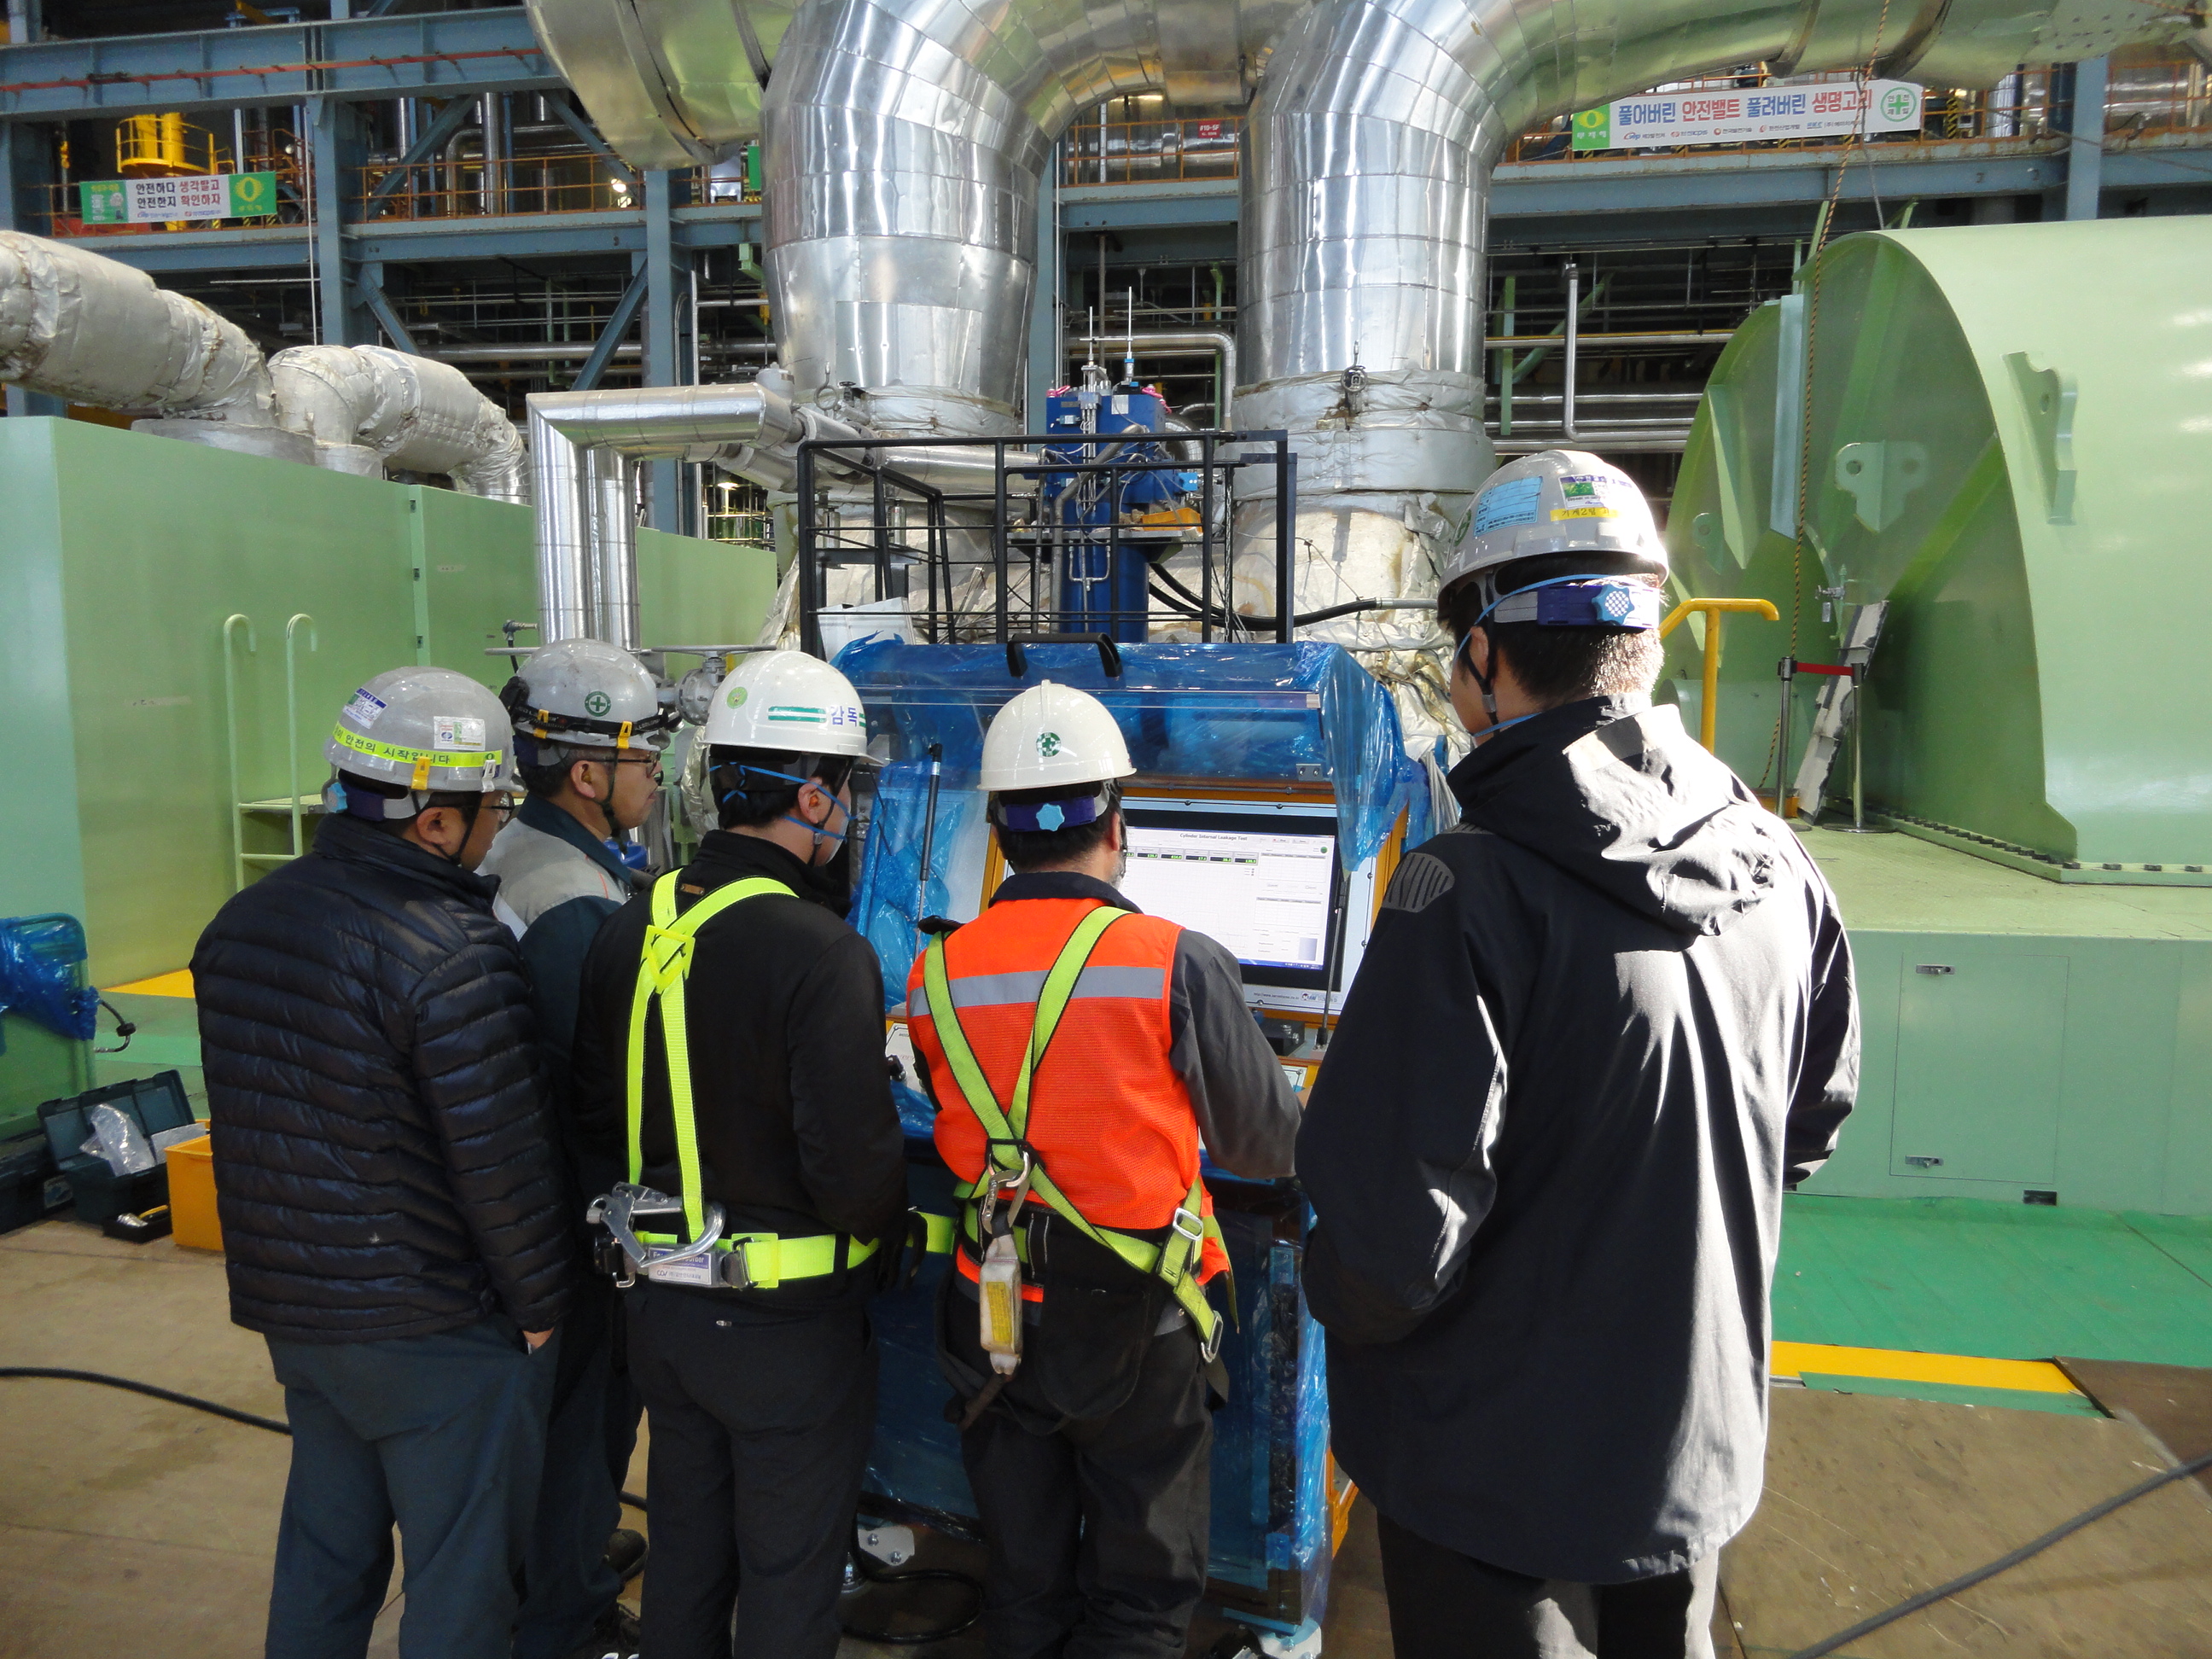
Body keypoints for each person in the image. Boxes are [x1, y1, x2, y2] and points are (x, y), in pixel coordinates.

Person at [1295, 450, 1860, 1659]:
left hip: (1485, 1476)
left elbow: (1392, 1245)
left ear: (1485, 654)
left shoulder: (1463, 890)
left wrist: (1313, 1277)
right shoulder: (1777, 862)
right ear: (1644, 637)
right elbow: (1806, 1124)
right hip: (1689, 1448)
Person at [904, 679, 1301, 1659]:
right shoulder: (1173, 960)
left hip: (992, 1318)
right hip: (1136, 1328)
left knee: (1024, 1579)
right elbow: (1265, 1146)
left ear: (1001, 830)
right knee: (1138, 1599)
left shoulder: (935, 972)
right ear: (1115, 824)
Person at [193, 667, 572, 1659]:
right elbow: (501, 1162)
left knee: (326, 1556)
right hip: (432, 1329)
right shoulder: (456, 951)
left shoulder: (242, 921)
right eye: (492, 809)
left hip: (301, 1316)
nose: (497, 827)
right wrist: (540, 1308)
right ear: (434, 822)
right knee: (461, 1579)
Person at [569, 649, 907, 1659]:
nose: (847, 813)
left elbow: (594, 1115)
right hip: (785, 1332)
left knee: (686, 1558)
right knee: (787, 1585)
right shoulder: (822, 952)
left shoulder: (632, 925)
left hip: (662, 1318)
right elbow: (853, 1177)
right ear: (813, 796)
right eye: (845, 790)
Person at [481, 637, 678, 1659]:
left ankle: (564, 1565)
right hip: (574, 1214)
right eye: (645, 755)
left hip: (515, 1198)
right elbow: (611, 1094)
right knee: (586, 1417)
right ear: (590, 774)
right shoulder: (576, 908)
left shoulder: (516, 853)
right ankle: (566, 1615)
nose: (659, 774)